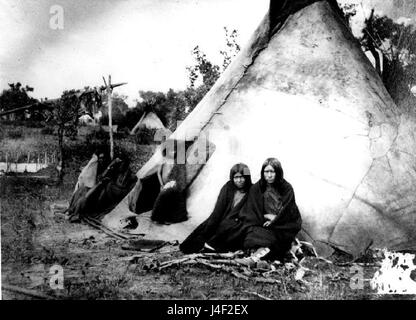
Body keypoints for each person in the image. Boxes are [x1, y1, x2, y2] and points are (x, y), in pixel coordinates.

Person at [238, 158, 302, 263]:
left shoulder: (287, 188)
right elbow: (252, 210)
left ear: (278, 172)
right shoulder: (257, 188)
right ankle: (257, 255)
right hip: (263, 224)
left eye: (272, 171)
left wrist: (275, 219)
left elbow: (289, 212)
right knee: (251, 233)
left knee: (275, 240)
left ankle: (255, 258)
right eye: (266, 172)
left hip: (282, 226)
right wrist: (265, 216)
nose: (269, 175)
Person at [180, 163, 253, 253]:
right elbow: (218, 210)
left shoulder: (252, 191)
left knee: (228, 233)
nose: (239, 180)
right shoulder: (228, 188)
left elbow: (249, 212)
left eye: (242, 177)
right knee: (206, 229)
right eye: (236, 177)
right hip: (222, 217)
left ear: (247, 177)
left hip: (237, 223)